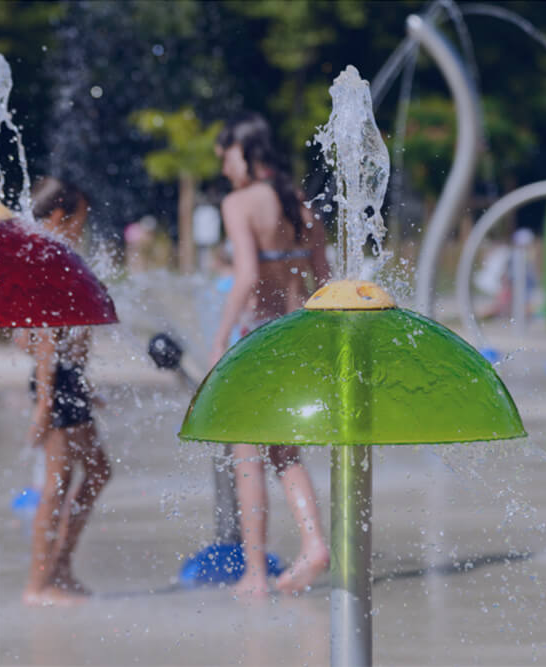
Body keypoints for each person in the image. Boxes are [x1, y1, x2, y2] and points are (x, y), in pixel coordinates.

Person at [211, 112, 331, 597]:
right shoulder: (299, 202)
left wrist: (219, 340)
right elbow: (325, 277)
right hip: (300, 335)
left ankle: (256, 575)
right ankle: (314, 543)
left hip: (259, 339)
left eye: (226, 158)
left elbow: (244, 275)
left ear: (247, 152)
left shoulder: (239, 203)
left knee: (247, 458)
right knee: (285, 453)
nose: (223, 169)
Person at [20, 177, 111, 606]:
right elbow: (41, 336)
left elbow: (29, 335)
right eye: (80, 218)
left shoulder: (45, 255)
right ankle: (40, 585)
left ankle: (59, 569)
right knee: (57, 484)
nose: (82, 227)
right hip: (54, 383)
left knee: (95, 472)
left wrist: (81, 384)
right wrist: (44, 402)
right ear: (59, 216)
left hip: (64, 380)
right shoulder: (49, 257)